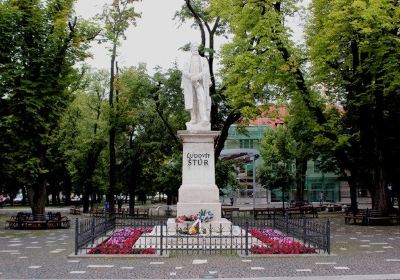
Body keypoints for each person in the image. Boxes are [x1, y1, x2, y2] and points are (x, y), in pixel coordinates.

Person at [181, 42, 211, 130]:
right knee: (192, 100)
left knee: (202, 99)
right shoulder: (187, 61)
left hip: (200, 83)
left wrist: (197, 77)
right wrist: (192, 77)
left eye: (196, 47)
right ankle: (193, 119)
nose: (195, 49)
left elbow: (206, 71)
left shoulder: (203, 60)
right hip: (190, 83)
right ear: (191, 49)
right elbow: (184, 71)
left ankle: (204, 118)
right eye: (193, 47)